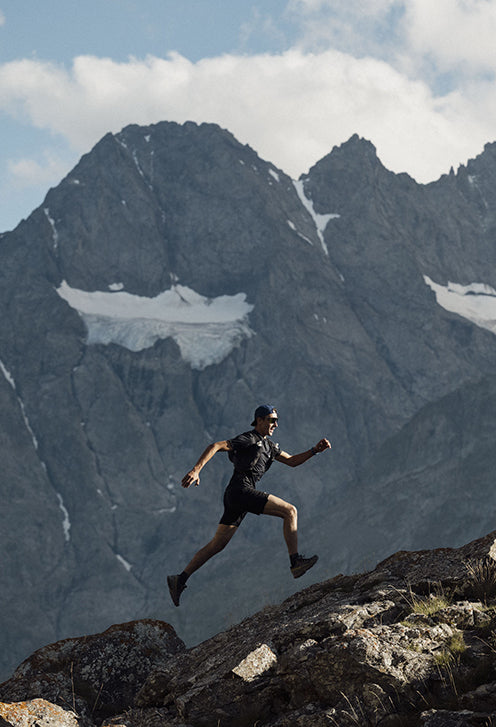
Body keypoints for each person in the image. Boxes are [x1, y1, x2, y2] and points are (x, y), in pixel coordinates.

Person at [167, 404, 331, 607]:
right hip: (240, 490)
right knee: (290, 511)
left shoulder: (269, 446)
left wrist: (315, 450)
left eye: (277, 421)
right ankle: (295, 562)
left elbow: (292, 461)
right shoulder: (249, 438)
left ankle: (179, 579)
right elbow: (215, 446)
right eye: (272, 420)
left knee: (218, 544)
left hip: (235, 494)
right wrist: (196, 470)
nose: (275, 424)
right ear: (259, 420)